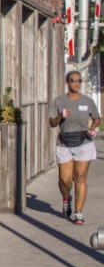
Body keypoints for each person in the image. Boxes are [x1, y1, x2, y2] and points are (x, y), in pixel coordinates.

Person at [48, 71, 101, 225]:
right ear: (67, 82)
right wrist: (60, 117)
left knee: (81, 177)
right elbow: (51, 123)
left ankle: (79, 213)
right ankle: (66, 198)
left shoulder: (88, 101)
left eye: (78, 80)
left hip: (84, 142)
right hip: (64, 142)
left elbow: (97, 119)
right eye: (72, 80)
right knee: (65, 181)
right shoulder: (59, 101)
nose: (76, 83)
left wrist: (93, 128)